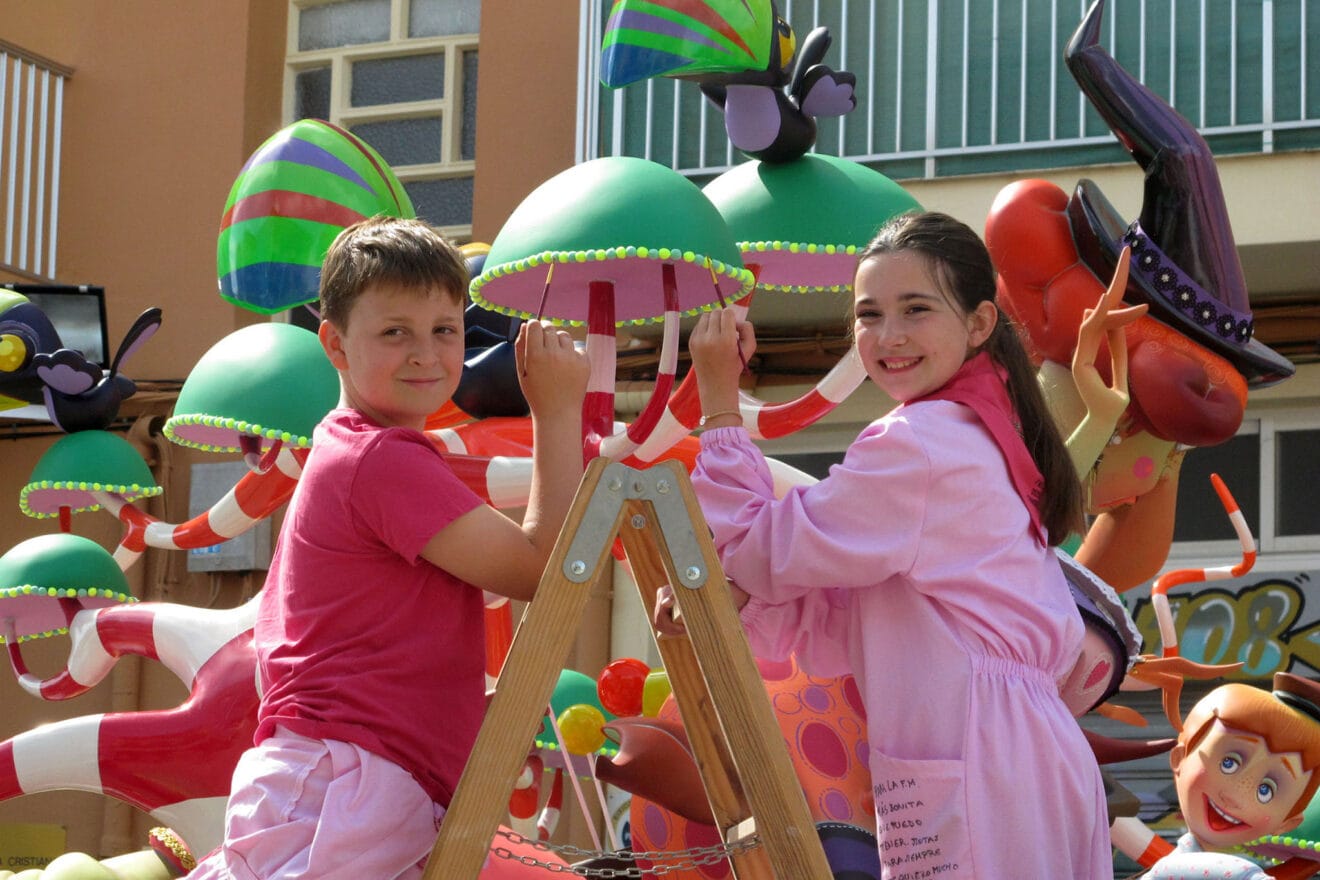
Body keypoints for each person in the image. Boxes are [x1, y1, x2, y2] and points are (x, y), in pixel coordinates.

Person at [657, 211, 1110, 877]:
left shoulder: (919, 443)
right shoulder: (977, 430)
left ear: (980, 323)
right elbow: (851, 614)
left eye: (916, 309)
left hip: (982, 755)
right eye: (869, 315)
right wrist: (733, 600)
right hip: (1017, 756)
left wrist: (720, 400)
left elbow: (754, 548)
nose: (889, 336)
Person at [187, 215, 590, 880]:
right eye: (394, 331)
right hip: (345, 785)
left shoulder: (368, 450)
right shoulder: (378, 459)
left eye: (445, 330)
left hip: (359, 777)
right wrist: (558, 411)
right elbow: (541, 568)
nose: (426, 354)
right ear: (335, 343)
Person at [1141, 673, 1320, 880]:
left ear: (1287, 822)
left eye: (1265, 790)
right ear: (1179, 758)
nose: (1234, 796)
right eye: (1229, 763)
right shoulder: (1177, 869)